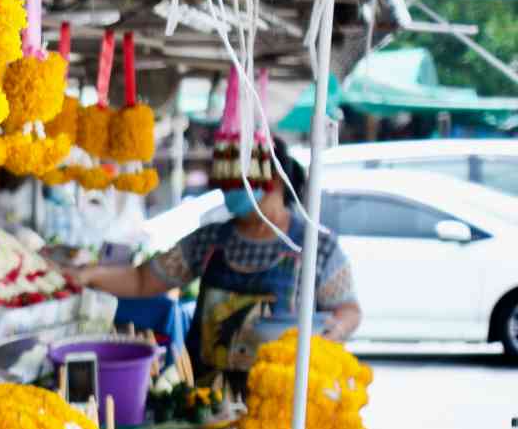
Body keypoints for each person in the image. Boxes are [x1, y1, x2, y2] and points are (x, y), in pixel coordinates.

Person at [51, 146, 362, 382]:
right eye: (226, 181)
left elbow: (348, 310)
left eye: (242, 179)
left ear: (277, 179)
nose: (231, 190)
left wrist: (333, 331)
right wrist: (88, 275)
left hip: (280, 397)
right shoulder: (210, 239)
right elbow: (143, 280)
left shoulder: (316, 247)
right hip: (205, 395)